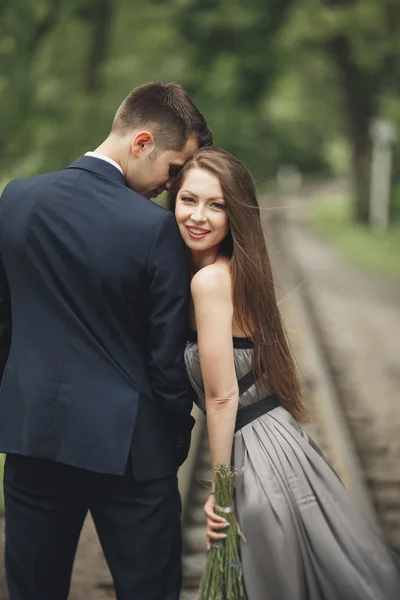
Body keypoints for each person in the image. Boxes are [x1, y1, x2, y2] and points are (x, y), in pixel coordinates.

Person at [0, 82, 213, 600]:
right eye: (172, 169)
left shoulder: (16, 200)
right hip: (131, 453)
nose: (169, 187)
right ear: (141, 142)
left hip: (32, 442)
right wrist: (174, 439)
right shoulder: (154, 229)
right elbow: (165, 358)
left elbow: (5, 325)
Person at [167, 146, 400, 600]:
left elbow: (221, 398)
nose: (199, 216)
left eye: (217, 205)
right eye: (189, 200)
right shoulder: (230, 270)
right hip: (278, 444)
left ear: (235, 214)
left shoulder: (211, 280)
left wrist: (223, 491)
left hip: (255, 459)